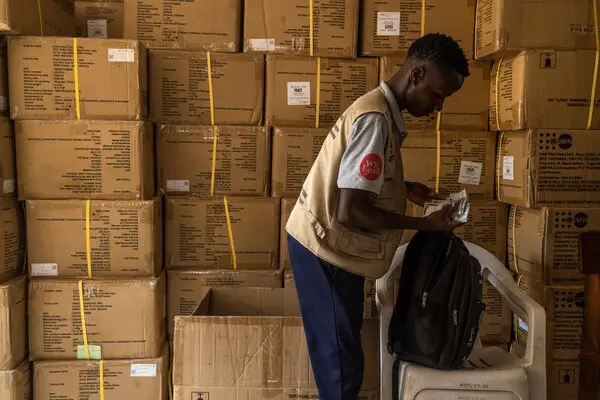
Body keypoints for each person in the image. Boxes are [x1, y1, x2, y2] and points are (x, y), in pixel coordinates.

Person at [285, 33, 470, 400]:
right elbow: (351, 210)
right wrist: (426, 225)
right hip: (326, 252)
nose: (438, 107)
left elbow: (362, 180)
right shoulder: (376, 121)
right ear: (416, 76)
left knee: (341, 354)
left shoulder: (380, 111)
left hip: (325, 243)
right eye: (438, 95)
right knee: (340, 365)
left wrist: (404, 188)